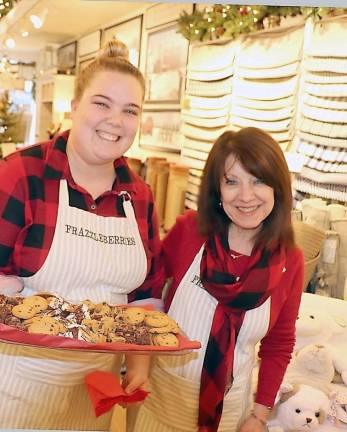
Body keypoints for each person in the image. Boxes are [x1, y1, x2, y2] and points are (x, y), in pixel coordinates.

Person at [0, 40, 164, 430]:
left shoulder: (140, 196)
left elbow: (144, 290)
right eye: (101, 103)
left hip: (88, 386)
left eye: (129, 110)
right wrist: (53, 321)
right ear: (74, 107)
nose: (115, 120)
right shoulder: (20, 175)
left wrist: (139, 358)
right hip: (9, 380)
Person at [128, 127, 304, 432]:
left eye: (259, 180)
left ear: (278, 187)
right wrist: (138, 363)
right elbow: (145, 291)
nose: (246, 196)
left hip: (230, 410)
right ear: (217, 190)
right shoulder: (190, 232)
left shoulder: (290, 260)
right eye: (232, 181)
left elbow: (278, 343)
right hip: (159, 398)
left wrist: (260, 414)